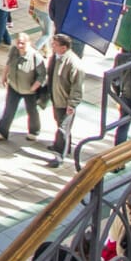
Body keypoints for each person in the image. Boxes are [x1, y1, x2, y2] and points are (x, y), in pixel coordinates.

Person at [0, 32, 48, 142]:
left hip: (29, 90)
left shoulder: (35, 56)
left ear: (28, 43)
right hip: (14, 86)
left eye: (22, 43)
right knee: (9, 109)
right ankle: (2, 131)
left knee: (32, 111)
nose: (20, 46)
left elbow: (42, 75)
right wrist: (4, 76)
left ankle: (34, 131)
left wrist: (34, 87)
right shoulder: (14, 51)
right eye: (18, 43)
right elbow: (8, 63)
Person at [46, 34, 85, 169]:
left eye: (55, 44)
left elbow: (77, 86)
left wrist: (72, 104)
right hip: (57, 99)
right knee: (61, 126)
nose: (52, 46)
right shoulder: (56, 58)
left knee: (63, 129)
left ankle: (59, 156)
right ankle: (63, 146)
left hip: (66, 102)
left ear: (64, 48)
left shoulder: (74, 63)